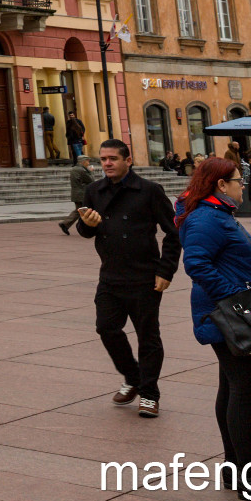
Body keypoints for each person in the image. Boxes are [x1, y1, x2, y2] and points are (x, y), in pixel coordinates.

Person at [176, 157, 251, 501]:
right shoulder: (206, 217)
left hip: (228, 313)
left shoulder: (217, 214)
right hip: (228, 315)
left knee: (232, 387)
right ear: (219, 185)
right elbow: (195, 264)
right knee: (245, 389)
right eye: (238, 181)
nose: (243, 185)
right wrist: (234, 297)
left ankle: (234, 467)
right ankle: (250, 478)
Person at [74, 139, 178, 418]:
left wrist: (165, 271)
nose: (106, 163)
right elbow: (85, 232)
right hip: (110, 276)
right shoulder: (94, 190)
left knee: (148, 337)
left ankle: (149, 394)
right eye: (103, 159)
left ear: (127, 161)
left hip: (145, 276)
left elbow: (173, 232)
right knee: (106, 328)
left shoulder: (150, 191)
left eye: (112, 159)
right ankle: (133, 377)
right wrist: (87, 224)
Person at [60, 155, 96, 235]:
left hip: (76, 193)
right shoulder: (82, 170)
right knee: (83, 210)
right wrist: (91, 171)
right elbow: (91, 180)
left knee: (80, 210)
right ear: (83, 161)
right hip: (81, 194)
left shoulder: (74, 169)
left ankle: (66, 224)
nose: (88, 163)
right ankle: (67, 224)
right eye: (87, 161)